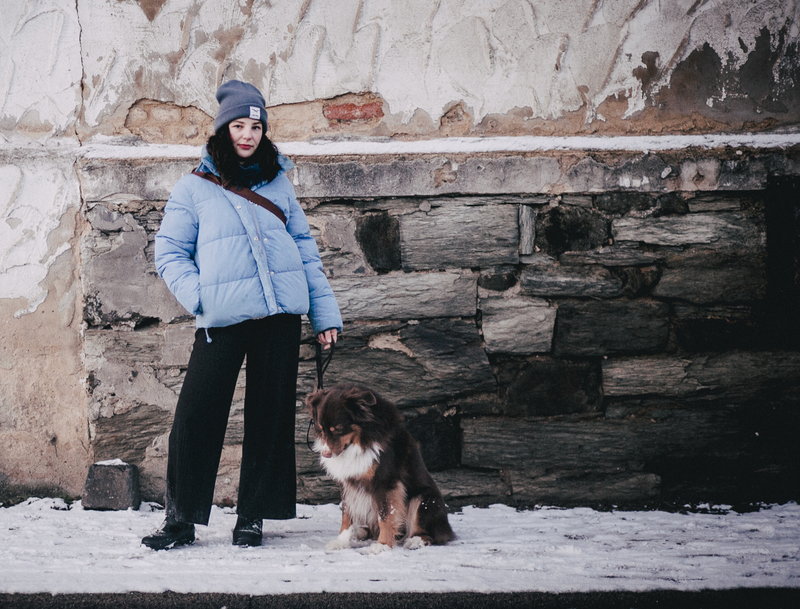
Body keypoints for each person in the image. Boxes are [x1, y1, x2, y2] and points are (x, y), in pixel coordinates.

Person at [142, 80, 342, 550]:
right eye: (239, 125)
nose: (248, 134)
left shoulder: (278, 182)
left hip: (279, 317)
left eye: (256, 125)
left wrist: (324, 313)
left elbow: (305, 253)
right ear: (223, 129)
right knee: (196, 414)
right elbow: (169, 252)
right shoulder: (194, 186)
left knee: (269, 417)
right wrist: (202, 299)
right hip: (222, 318)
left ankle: (252, 516)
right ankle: (180, 520)